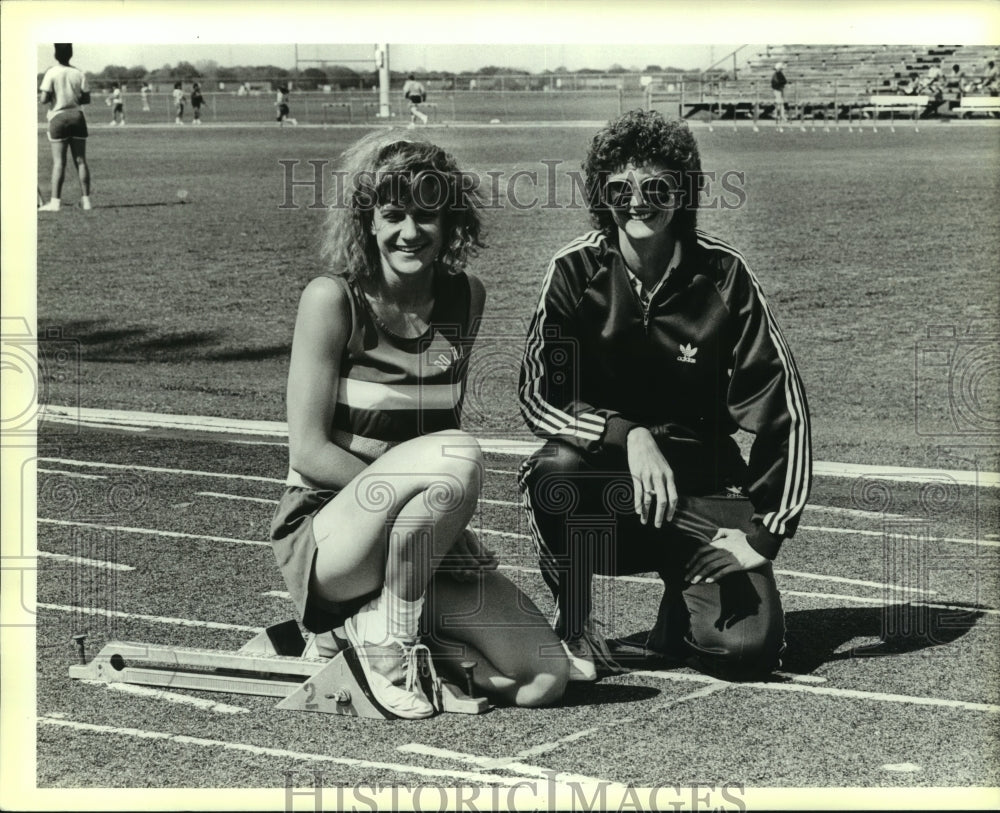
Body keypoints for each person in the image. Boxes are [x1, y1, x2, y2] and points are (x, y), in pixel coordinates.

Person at [270, 132, 568, 718]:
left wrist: (439, 526)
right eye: (393, 214)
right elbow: (307, 451)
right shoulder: (332, 299)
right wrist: (439, 514)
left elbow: (437, 425)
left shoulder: (465, 299)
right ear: (367, 221)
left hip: (414, 542)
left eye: (426, 213)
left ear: (450, 221)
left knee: (545, 678)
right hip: (331, 538)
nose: (410, 231)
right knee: (458, 453)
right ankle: (382, 645)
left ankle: (408, 643)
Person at [517, 109, 812, 683]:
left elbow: (786, 408)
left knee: (745, 652)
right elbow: (536, 396)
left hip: (704, 491)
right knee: (556, 470)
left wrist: (765, 534)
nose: (638, 201)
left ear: (684, 192)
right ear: (601, 194)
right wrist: (629, 435)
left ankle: (681, 606)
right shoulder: (574, 271)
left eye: (656, 187)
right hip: (611, 489)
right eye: (620, 188)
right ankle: (574, 620)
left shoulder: (725, 275)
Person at [38, 43, 92, 212]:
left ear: (56, 54)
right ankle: (87, 201)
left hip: (58, 118)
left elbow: (44, 99)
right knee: (81, 161)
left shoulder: (51, 73)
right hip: (77, 117)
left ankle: (55, 203)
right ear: (71, 54)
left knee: (59, 162)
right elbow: (86, 99)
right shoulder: (78, 73)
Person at [770, 61, 788, 126]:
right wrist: (780, 85)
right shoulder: (777, 74)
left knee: (780, 102)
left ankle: (779, 115)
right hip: (778, 90)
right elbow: (782, 82)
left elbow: (784, 81)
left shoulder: (777, 74)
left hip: (778, 89)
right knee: (780, 102)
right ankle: (779, 115)